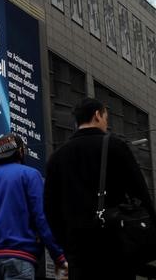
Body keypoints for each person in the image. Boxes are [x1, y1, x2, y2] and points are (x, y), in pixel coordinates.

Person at [44, 97, 155, 280]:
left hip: (78, 252)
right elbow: (141, 192)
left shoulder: (57, 158)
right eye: (106, 119)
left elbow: (50, 209)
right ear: (97, 115)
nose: (105, 124)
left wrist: (67, 244)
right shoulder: (116, 147)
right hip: (115, 247)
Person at [0, 133, 67, 280]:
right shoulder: (30, 175)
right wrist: (58, 256)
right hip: (19, 256)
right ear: (21, 152)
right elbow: (41, 218)